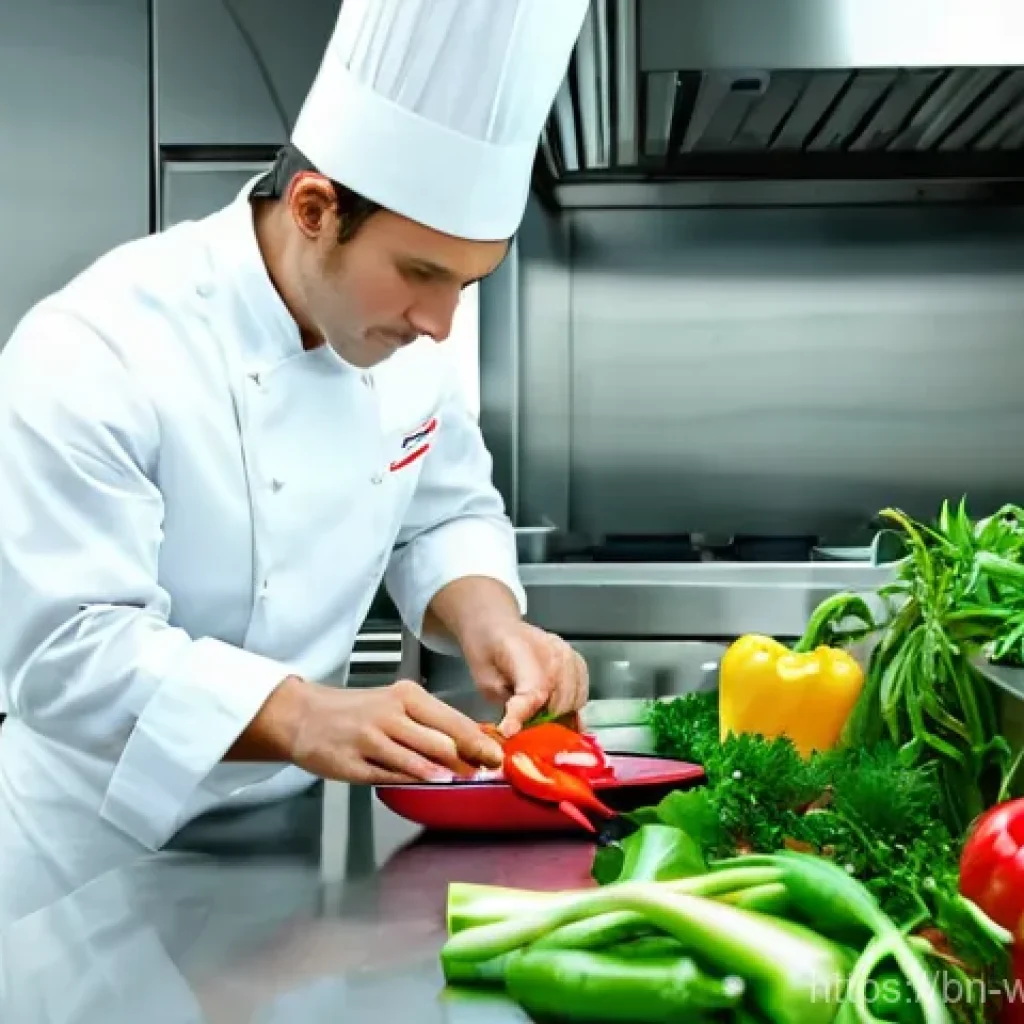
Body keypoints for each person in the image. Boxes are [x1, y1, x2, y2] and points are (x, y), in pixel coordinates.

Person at [0, 0, 590, 925]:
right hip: (82, 862)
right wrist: (306, 714)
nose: (441, 325)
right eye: (423, 275)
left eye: (468, 285)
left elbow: (443, 512)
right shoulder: (93, 346)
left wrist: (490, 620)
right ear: (315, 209)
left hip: (282, 856)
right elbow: (65, 651)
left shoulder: (401, 349)